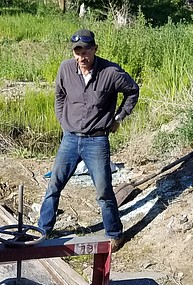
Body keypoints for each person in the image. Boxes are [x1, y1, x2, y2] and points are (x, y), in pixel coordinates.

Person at [38, 28, 140, 249]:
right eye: (77, 52)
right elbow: (59, 95)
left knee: (104, 191)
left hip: (97, 140)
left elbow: (132, 91)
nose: (81, 57)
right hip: (70, 139)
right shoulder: (65, 69)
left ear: (95, 49)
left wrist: (119, 117)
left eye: (86, 51)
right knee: (54, 185)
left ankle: (114, 233)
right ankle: (43, 231)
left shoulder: (111, 72)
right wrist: (63, 121)